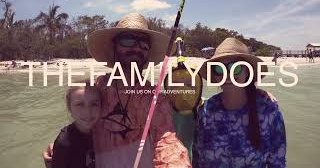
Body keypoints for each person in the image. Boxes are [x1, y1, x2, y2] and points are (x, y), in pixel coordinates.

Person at [43, 13, 191, 168]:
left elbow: (166, 141)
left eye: (144, 43)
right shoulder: (95, 89)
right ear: (114, 47)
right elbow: (82, 120)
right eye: (128, 40)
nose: (136, 48)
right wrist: (62, 145)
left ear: (148, 52)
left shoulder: (156, 99)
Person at [193, 38, 287, 167]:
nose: (227, 74)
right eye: (219, 69)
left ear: (247, 71)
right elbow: (197, 158)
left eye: (235, 68)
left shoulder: (268, 111)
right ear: (214, 75)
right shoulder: (206, 111)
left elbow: (277, 162)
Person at [52, 80, 102, 168]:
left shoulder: (107, 134)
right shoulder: (64, 143)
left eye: (94, 104)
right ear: (69, 108)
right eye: (80, 104)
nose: (87, 112)